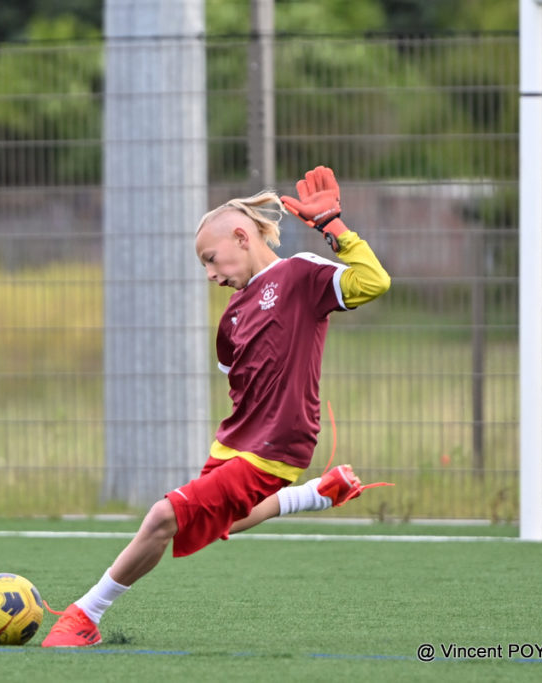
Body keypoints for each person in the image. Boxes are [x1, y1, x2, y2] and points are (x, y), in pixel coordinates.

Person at [41, 165, 392, 648]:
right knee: (216, 521)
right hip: (236, 441)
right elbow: (239, 381)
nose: (210, 275)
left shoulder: (300, 274)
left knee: (163, 516)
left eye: (211, 260)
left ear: (242, 237)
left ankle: (84, 615)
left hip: (278, 445)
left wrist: (333, 226)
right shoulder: (232, 317)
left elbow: (375, 281)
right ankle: (316, 494)